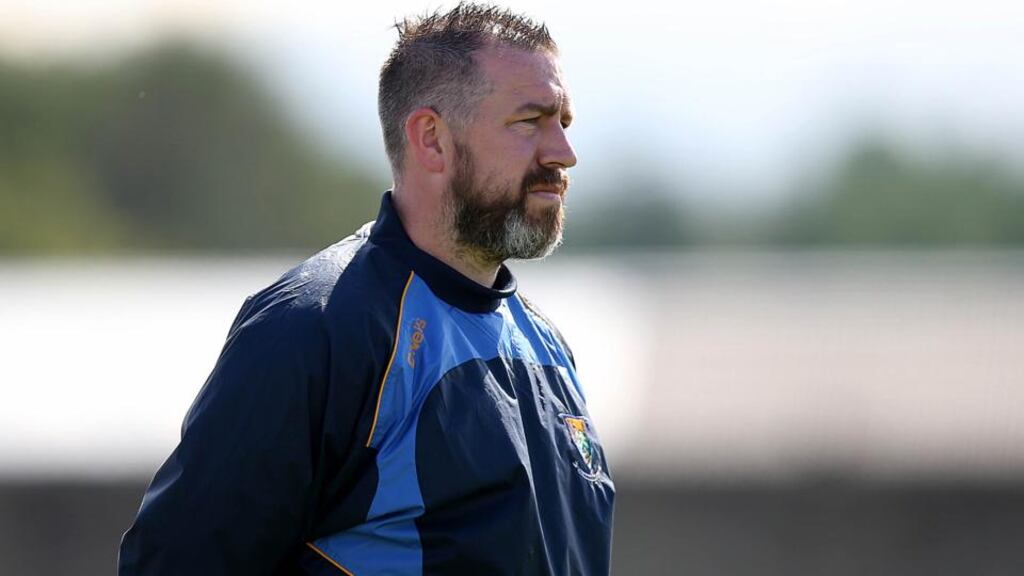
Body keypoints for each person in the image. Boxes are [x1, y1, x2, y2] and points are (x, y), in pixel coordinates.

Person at [118, 3, 615, 575]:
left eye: (564, 123)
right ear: (431, 139)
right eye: (530, 121)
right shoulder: (314, 328)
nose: (563, 153)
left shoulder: (547, 347)